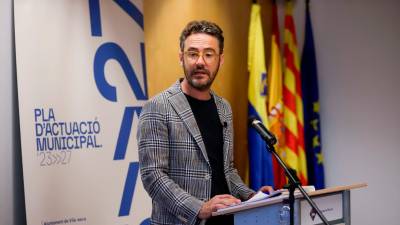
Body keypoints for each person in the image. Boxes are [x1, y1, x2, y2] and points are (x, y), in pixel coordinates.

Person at [137, 20, 273, 225]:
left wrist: (250, 196)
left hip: (227, 220)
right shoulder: (158, 106)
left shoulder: (223, 107)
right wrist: (199, 208)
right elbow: (153, 176)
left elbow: (227, 170)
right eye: (193, 54)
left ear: (220, 60)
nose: (200, 61)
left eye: (209, 54)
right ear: (181, 58)